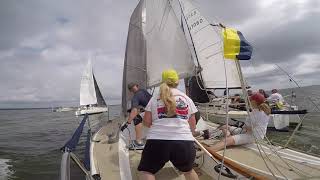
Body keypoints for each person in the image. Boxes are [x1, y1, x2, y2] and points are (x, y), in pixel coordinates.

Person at [138, 69, 199, 180]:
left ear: (163, 82)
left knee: (147, 172)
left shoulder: (154, 98)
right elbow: (192, 123)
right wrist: (191, 133)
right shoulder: (186, 98)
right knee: (188, 171)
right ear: (177, 82)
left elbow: (147, 122)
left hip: (157, 141)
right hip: (184, 141)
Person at [124, 82, 152, 149]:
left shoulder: (135, 97)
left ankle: (138, 142)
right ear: (137, 86)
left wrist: (128, 122)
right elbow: (148, 103)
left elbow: (134, 111)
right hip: (157, 112)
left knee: (136, 117)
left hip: (151, 115)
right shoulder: (144, 91)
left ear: (130, 91)